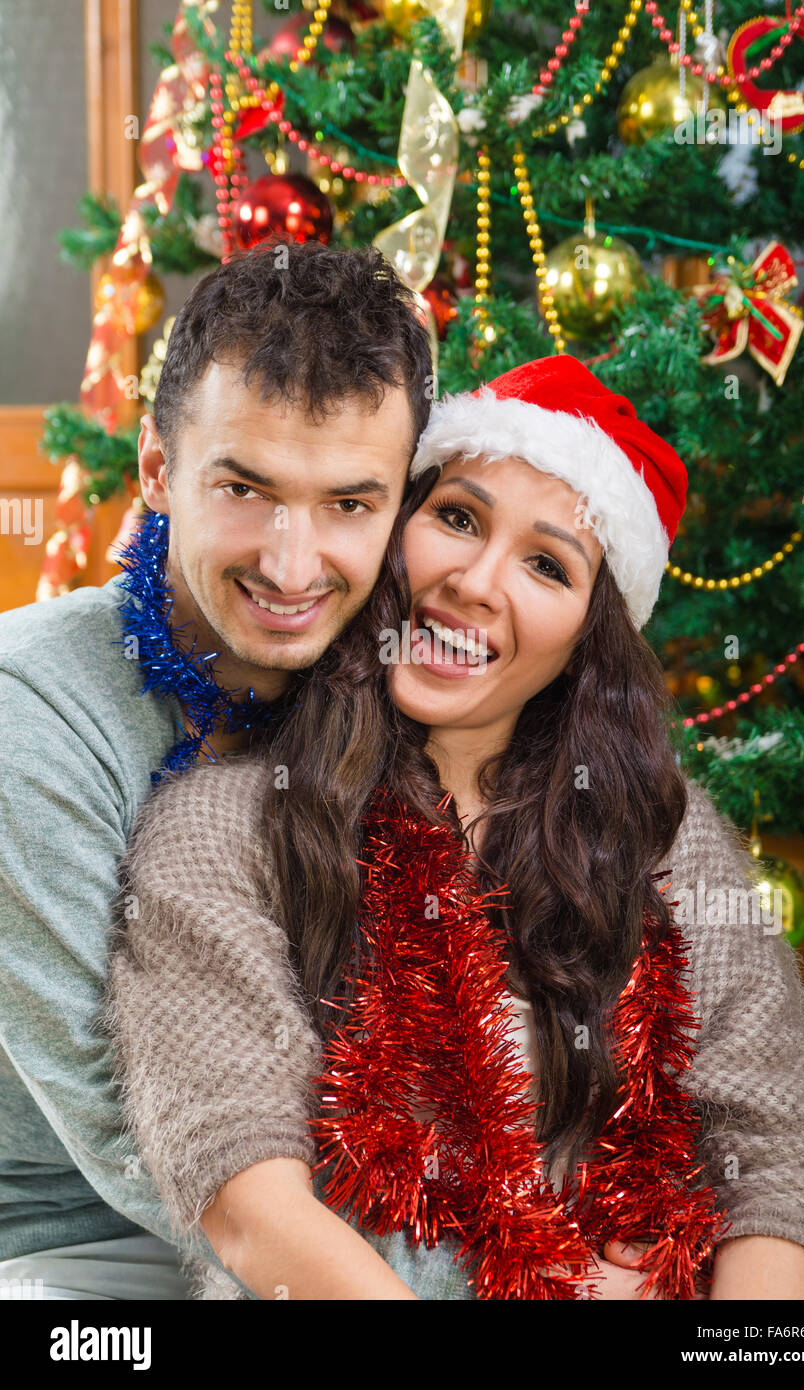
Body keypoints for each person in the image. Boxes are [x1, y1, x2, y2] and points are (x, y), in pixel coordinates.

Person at [105, 355, 804, 1300]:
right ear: (394, 533)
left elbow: (783, 1154)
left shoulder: (661, 832)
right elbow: (245, 1199)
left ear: (591, 630)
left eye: (548, 565)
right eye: (456, 518)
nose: (475, 580)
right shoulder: (226, 827)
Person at [0, 237, 433, 1299]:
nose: (292, 565)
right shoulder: (29, 712)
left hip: (355, 1207)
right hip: (74, 1235)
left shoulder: (421, 677)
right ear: (157, 468)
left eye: (348, 503)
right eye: (245, 487)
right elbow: (138, 1123)